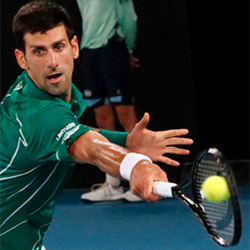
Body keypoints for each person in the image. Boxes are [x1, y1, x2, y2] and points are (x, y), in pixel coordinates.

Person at [0, 1, 193, 250]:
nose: (52, 61)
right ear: (22, 59)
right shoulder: (40, 115)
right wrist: (137, 165)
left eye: (58, 47)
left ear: (74, 47)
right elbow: (89, 148)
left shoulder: (34, 94)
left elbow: (77, 134)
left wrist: (125, 142)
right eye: (39, 51)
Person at [76, 0, 141, 202]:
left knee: (126, 115)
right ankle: (113, 184)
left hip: (112, 47)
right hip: (89, 50)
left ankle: (140, 182)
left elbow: (129, 18)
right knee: (102, 116)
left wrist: (128, 49)